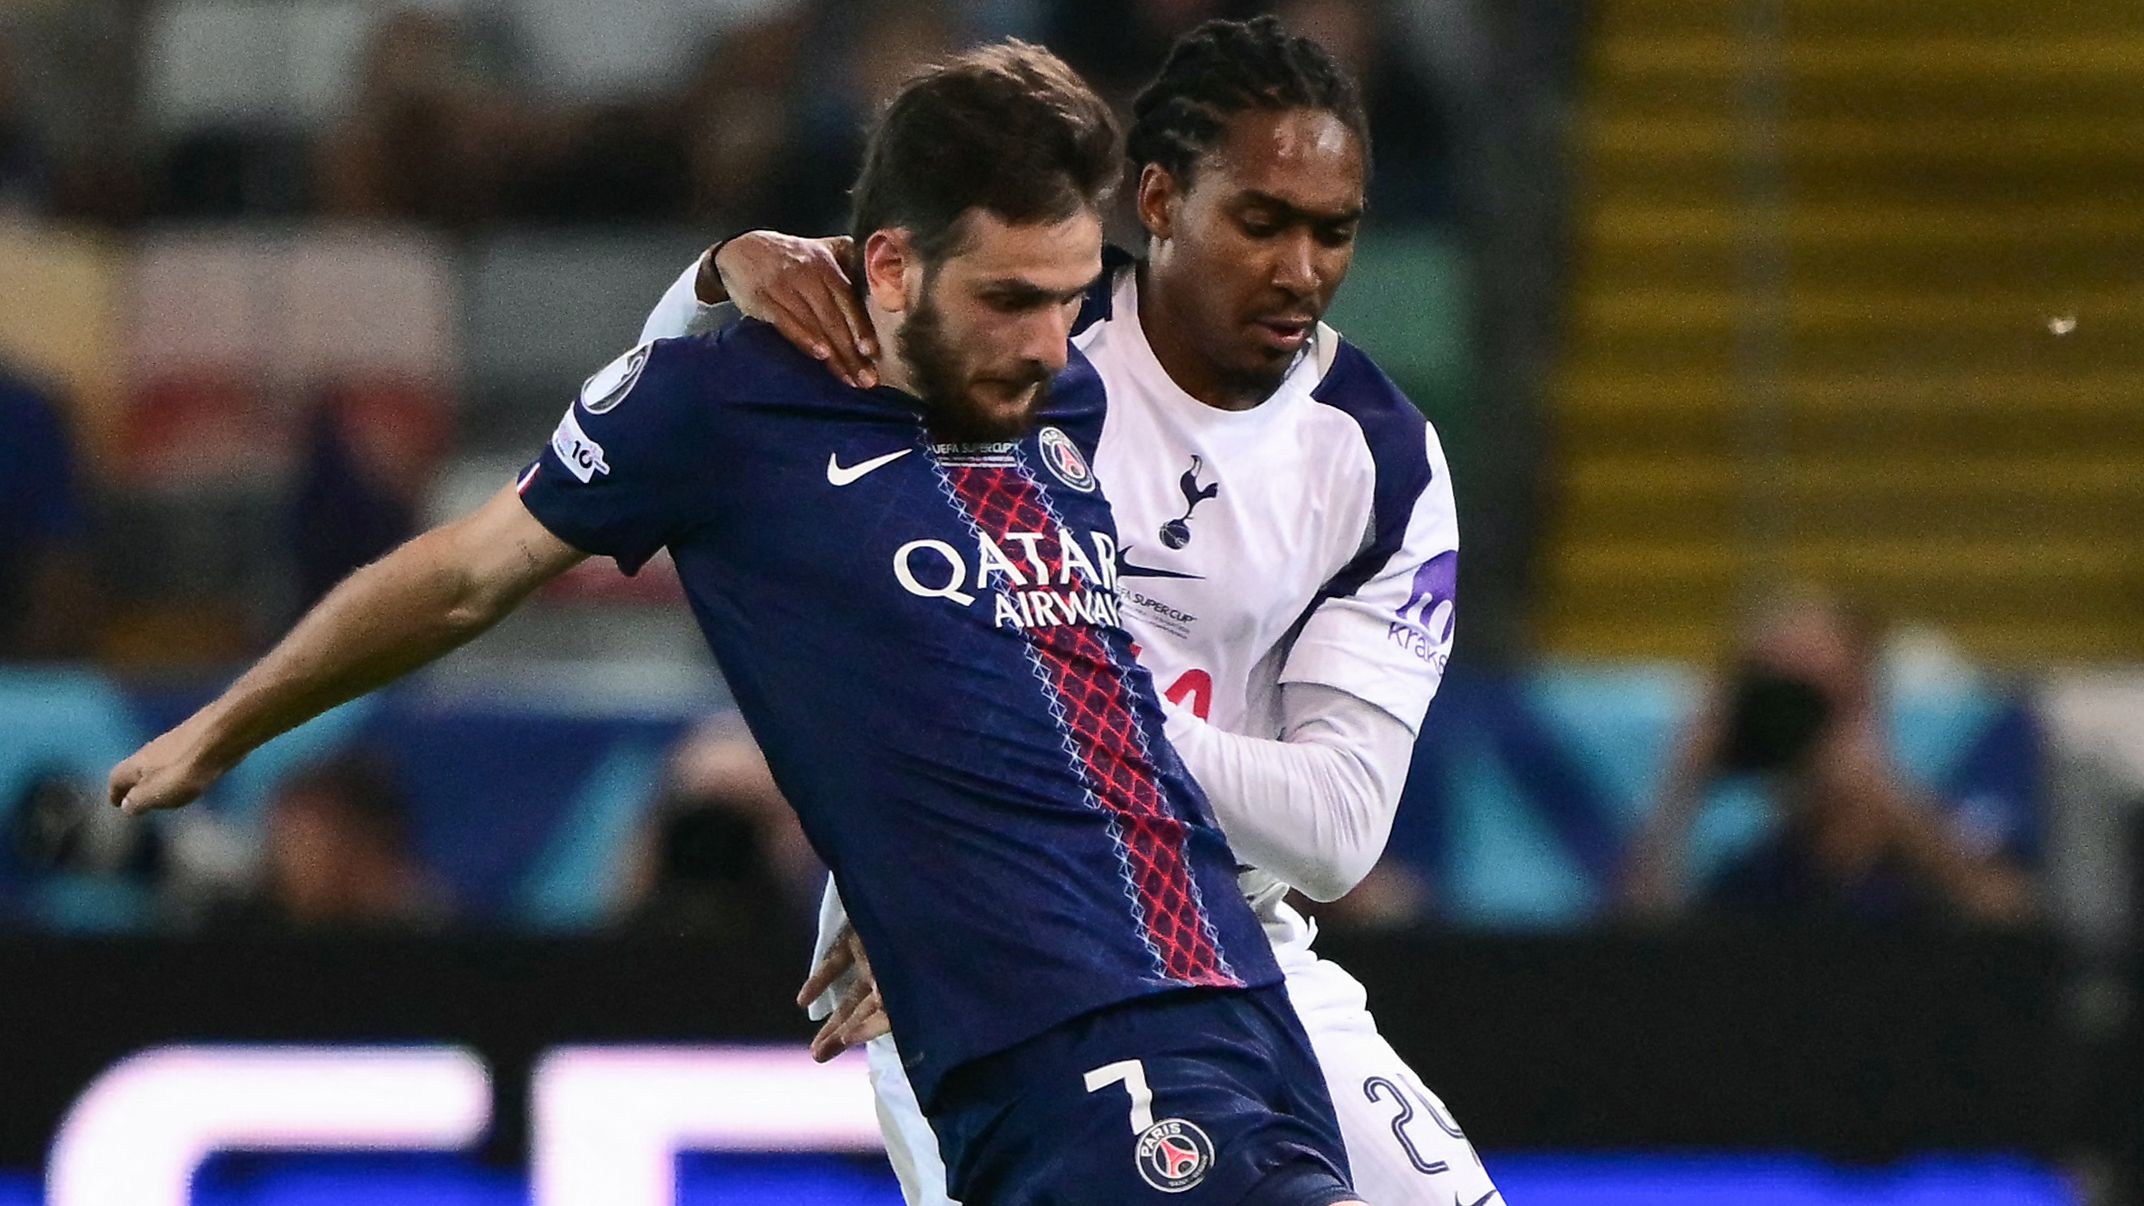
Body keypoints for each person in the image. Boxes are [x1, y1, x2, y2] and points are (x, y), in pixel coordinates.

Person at [109, 42, 1363, 1206]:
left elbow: (1045, 694)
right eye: (1009, 300)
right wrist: (227, 726)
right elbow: (461, 579)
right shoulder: (721, 412)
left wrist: (910, 886)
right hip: (1063, 1037)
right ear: (888, 267)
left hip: (1233, 992)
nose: (1050, 343)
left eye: (1068, 296)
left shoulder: (1065, 401)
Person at [647, 18, 1496, 1204]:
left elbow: (1336, 829)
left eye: (1331, 231)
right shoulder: (1008, 319)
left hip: (1232, 935)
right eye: (1260, 223)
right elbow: (679, 416)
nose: (1299, 269)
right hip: (975, 938)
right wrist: (711, 276)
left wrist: (1043, 744)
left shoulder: (1379, 457)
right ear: (1156, 200)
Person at [1621, 590, 2036, 926]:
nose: (1795, 726)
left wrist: (1890, 805)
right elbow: (1634, 960)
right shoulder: (1754, 881)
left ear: (1865, 699)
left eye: (1813, 697)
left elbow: (2014, 923)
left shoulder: (1929, 863)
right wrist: (1680, 792)